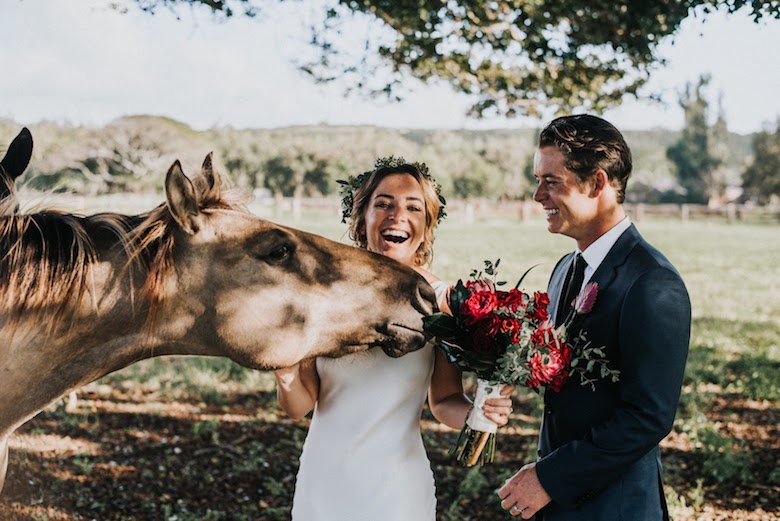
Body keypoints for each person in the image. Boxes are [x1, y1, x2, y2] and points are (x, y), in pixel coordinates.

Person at [273, 157, 513, 520]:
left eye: (412, 207)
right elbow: (299, 405)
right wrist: (284, 369)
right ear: (361, 218)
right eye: (382, 204)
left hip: (398, 488)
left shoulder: (440, 304)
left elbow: (445, 399)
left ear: (426, 225)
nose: (396, 215)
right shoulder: (321, 294)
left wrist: (480, 411)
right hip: (324, 481)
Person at [498, 115, 691, 520]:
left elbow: (648, 416)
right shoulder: (564, 269)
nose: (537, 195)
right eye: (538, 180)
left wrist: (551, 477)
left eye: (551, 181)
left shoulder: (653, 283)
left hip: (615, 507)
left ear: (598, 183)